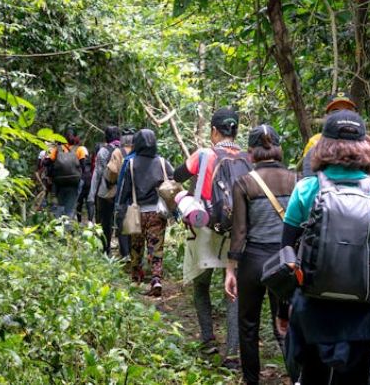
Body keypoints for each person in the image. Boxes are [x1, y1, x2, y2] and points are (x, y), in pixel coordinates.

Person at [280, 110, 370, 384]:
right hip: (366, 317)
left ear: (323, 145)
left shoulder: (306, 189)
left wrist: (284, 311)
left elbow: (286, 256)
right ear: (365, 147)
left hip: (312, 314)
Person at [224, 124, 296, 385]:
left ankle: (251, 380)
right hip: (285, 262)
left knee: (248, 326)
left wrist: (231, 269)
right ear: (278, 148)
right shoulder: (296, 179)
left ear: (250, 152)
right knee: (286, 325)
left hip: (253, 262)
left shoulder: (244, 183)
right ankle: (297, 376)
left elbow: (239, 232)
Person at [172, 108, 241, 365]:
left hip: (205, 226)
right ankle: (233, 353)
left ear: (214, 130)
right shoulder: (246, 157)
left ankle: (209, 340)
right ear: (236, 130)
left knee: (201, 286)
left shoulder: (204, 154)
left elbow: (178, 175)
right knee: (233, 291)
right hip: (236, 230)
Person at [118, 129, 174, 296]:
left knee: (136, 246)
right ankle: (156, 279)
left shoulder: (131, 163)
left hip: (137, 212)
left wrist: (120, 210)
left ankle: (136, 278)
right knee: (156, 247)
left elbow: (124, 190)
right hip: (157, 212)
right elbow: (173, 183)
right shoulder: (163, 162)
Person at [300, 92, 358, 177]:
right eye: (335, 111)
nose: (341, 114)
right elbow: (309, 177)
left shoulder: (365, 143)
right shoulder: (315, 142)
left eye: (348, 110)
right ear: (327, 116)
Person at [88, 126, 121, 255]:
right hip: (121, 192)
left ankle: (105, 250)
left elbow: (98, 173)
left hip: (105, 192)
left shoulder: (103, 151)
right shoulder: (124, 150)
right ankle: (125, 251)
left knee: (105, 222)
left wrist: (92, 195)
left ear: (106, 137)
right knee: (120, 220)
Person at [45, 128, 89, 219]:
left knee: (60, 205)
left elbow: (47, 162)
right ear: (76, 137)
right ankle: (67, 228)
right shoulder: (80, 149)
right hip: (74, 182)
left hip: (59, 182)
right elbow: (84, 165)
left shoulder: (57, 149)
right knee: (70, 207)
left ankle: (58, 227)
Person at [105, 128, 136, 258]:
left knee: (122, 222)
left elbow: (112, 172)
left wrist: (110, 182)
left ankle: (125, 254)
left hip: (122, 191)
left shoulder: (118, 152)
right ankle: (135, 253)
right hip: (138, 193)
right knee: (135, 222)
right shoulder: (139, 152)